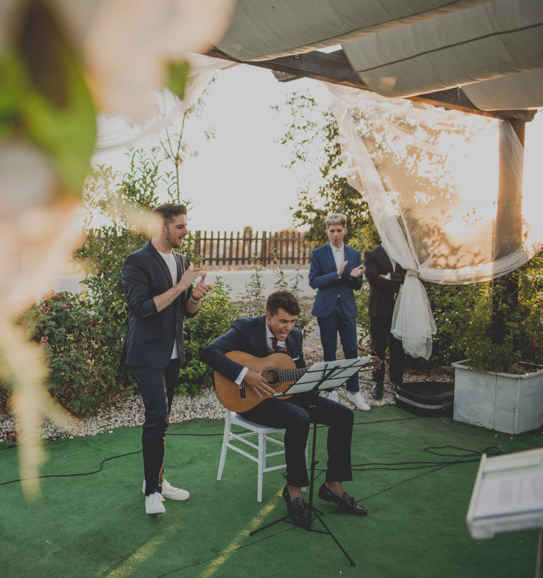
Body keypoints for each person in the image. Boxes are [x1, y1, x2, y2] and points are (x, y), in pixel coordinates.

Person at [201, 290, 368, 527]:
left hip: (287, 395)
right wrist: (245, 374)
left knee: (343, 415)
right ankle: (294, 490)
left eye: (292, 322)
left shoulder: (295, 336)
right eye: (283, 321)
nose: (288, 327)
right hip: (252, 400)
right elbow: (208, 352)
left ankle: (334, 485)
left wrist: (317, 380)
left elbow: (296, 374)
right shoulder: (245, 328)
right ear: (268, 315)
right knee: (299, 418)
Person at [122, 203, 211, 515]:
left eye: (185, 226)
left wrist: (196, 296)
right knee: (157, 418)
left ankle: (155, 480)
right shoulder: (137, 261)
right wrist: (181, 286)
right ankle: (152, 492)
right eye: (180, 227)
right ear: (162, 228)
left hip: (173, 353)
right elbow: (142, 308)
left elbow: (186, 311)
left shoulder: (182, 260)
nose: (186, 232)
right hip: (146, 352)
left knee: (162, 421)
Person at [308, 213, 370, 411]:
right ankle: (332, 389)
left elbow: (358, 285)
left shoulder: (354, 254)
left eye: (338, 230)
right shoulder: (318, 253)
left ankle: (354, 392)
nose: (335, 234)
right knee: (329, 351)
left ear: (345, 230)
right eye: (332, 230)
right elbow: (314, 281)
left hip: (347, 308)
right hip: (326, 308)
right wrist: (336, 275)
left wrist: (353, 277)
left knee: (351, 350)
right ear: (327, 232)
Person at [364, 244, 407, 400]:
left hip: (399, 308)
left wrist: (388, 276)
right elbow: (372, 278)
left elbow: (408, 276)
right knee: (377, 346)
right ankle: (377, 382)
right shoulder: (372, 254)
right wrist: (396, 285)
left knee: (398, 346)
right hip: (379, 308)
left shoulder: (403, 254)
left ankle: (397, 382)